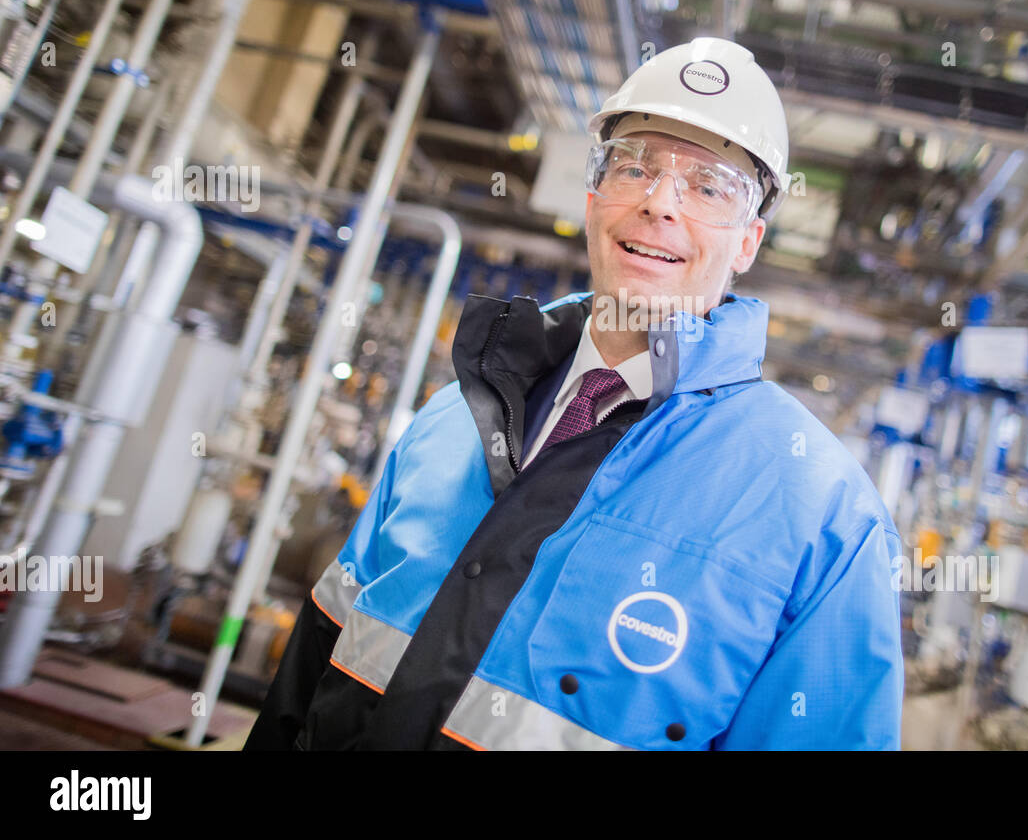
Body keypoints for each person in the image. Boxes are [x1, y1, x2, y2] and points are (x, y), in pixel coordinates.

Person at [245, 37, 904, 751]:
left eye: (709, 186)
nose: (659, 204)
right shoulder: (452, 420)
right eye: (635, 168)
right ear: (593, 198)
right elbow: (307, 680)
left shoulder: (823, 516)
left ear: (747, 242)